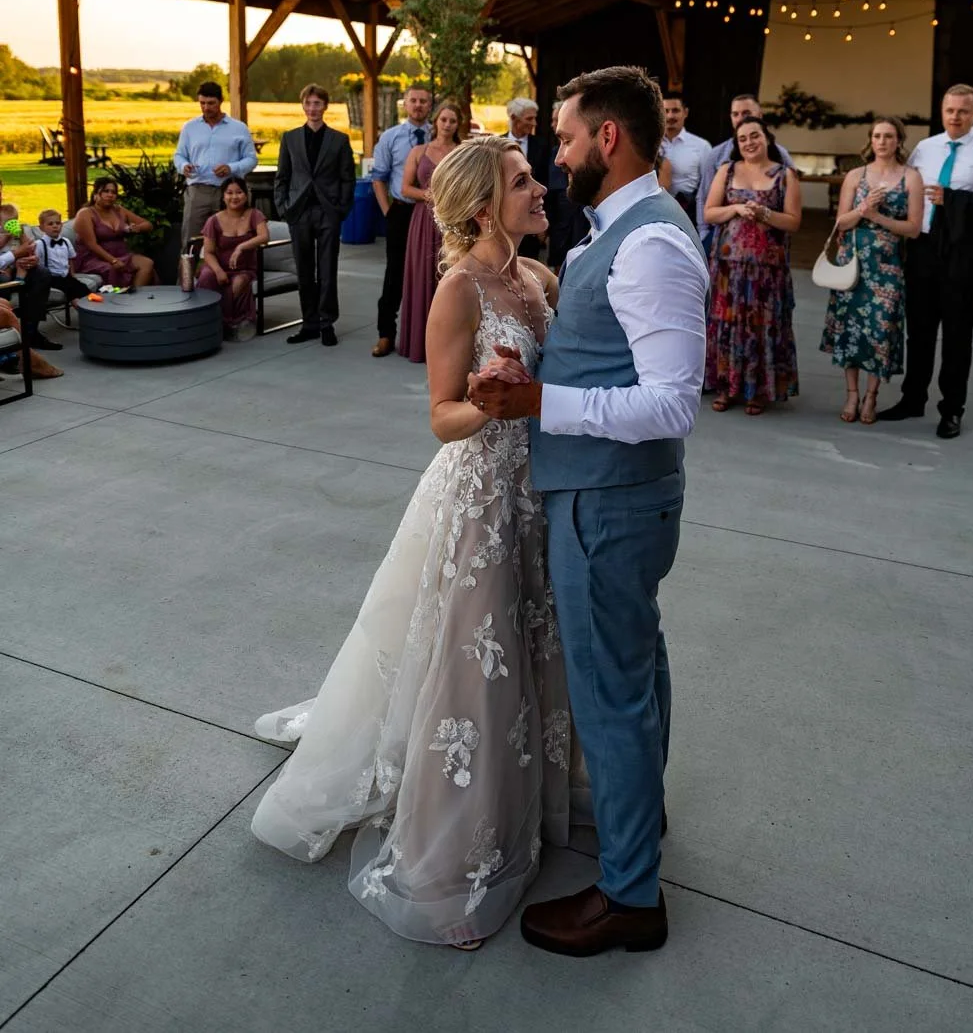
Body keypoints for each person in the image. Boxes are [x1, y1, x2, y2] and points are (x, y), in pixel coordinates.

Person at [251, 136, 571, 949]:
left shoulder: (540, 279)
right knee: (477, 661)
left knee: (536, 639)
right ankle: (456, 847)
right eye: (522, 181)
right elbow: (441, 416)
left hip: (536, 493)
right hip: (480, 499)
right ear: (482, 207)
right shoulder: (458, 290)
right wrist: (490, 401)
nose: (540, 187)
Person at [471, 65, 708, 958]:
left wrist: (538, 402)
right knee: (634, 669)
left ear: (609, 137)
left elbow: (671, 403)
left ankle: (629, 898)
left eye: (566, 138)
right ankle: (637, 821)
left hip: (609, 505)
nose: (557, 155)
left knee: (611, 692)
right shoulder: (614, 232)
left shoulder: (650, 245)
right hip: (605, 498)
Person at [879, 84, 973, 438]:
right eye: (949, 110)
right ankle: (912, 399)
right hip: (925, 248)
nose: (955, 117)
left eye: (963, 111)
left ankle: (952, 409)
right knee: (919, 330)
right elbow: (907, 190)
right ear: (942, 111)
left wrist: (955, 199)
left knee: (958, 334)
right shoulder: (926, 148)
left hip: (964, 252)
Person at [819, 119, 923, 424]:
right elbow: (842, 222)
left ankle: (872, 395)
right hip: (853, 263)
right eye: (877, 136)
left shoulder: (911, 177)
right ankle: (852, 394)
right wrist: (863, 209)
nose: (882, 141)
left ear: (898, 140)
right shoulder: (856, 175)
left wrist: (877, 216)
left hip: (887, 266)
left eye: (888, 136)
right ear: (871, 140)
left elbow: (913, 229)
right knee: (850, 329)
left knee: (881, 331)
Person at [703, 115, 801, 414]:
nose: (749, 142)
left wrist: (764, 214)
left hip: (767, 269)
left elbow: (794, 222)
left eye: (755, 136)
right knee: (727, 324)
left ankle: (757, 390)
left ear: (767, 138)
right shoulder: (727, 170)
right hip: (728, 267)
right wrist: (735, 208)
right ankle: (726, 386)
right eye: (743, 138)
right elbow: (709, 213)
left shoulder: (785, 175)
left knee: (762, 326)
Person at [274, 83, 356, 347]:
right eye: (308, 103)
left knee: (328, 269)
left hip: (328, 211)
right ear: (303, 106)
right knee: (304, 269)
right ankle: (309, 323)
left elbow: (347, 177)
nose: (312, 108)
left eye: (317, 103)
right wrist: (284, 208)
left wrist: (341, 209)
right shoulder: (290, 138)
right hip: (298, 211)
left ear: (325, 106)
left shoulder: (339, 140)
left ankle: (326, 323)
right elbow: (282, 176)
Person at [370, 86, 432, 357]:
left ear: (430, 105)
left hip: (432, 216)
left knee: (430, 273)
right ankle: (386, 334)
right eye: (413, 100)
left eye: (423, 101)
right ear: (405, 104)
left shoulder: (438, 136)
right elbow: (378, 178)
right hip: (401, 211)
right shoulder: (390, 137)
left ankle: (427, 335)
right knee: (395, 273)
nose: (418, 105)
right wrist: (388, 213)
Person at [397, 101, 461, 364]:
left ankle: (448, 347)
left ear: (458, 125)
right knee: (422, 275)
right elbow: (405, 188)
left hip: (453, 221)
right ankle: (418, 344)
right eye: (443, 119)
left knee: (449, 279)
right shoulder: (419, 151)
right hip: (423, 221)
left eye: (453, 121)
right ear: (435, 121)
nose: (447, 125)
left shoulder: (462, 152)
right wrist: (429, 195)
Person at [697, 94, 793, 246]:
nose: (740, 118)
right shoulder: (717, 155)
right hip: (721, 237)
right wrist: (703, 233)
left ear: (759, 115)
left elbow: (792, 209)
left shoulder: (781, 155)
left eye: (746, 113)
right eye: (735, 114)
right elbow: (703, 196)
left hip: (769, 240)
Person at [172, 81, 258, 249]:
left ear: (220, 101)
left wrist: (231, 168)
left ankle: (229, 266)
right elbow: (179, 155)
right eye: (202, 103)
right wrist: (184, 166)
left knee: (229, 240)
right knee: (190, 241)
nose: (206, 108)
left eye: (211, 103)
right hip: (198, 191)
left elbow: (251, 159)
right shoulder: (190, 128)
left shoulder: (239, 128)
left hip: (228, 192)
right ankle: (188, 267)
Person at [195, 177, 269, 338]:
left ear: (246, 195)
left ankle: (225, 323)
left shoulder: (254, 214)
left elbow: (264, 237)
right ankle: (203, 321)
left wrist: (241, 246)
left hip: (244, 269)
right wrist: (218, 271)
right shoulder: (213, 220)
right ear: (223, 196)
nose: (234, 197)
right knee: (207, 276)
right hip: (218, 266)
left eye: (239, 192)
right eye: (229, 193)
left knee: (239, 282)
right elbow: (208, 252)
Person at [72, 180, 156, 288]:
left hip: (121, 254)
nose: (110, 195)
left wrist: (137, 228)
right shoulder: (85, 213)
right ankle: (116, 297)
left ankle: (136, 295)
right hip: (94, 258)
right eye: (106, 191)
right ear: (96, 194)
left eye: (113, 192)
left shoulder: (119, 210)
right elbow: (92, 245)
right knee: (113, 269)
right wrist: (113, 261)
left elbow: (148, 225)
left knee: (147, 263)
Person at [0, 203, 56, 351]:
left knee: (41, 273)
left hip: (14, 264)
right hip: (3, 270)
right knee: (4, 280)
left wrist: (32, 259)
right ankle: (7, 331)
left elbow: (29, 246)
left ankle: (31, 332)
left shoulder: (18, 231)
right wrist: (15, 254)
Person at [542, 100, 588, 274]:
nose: (553, 124)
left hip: (582, 224)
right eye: (553, 120)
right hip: (560, 225)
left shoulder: (587, 154)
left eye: (556, 120)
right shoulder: (554, 153)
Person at [658, 94, 712, 225]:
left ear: (685, 112)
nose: (670, 116)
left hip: (687, 214)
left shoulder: (702, 146)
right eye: (666, 111)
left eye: (675, 110)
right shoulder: (648, 144)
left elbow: (707, 187)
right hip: (654, 213)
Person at [30, 209, 93, 315]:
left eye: (58, 223)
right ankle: (84, 314)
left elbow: (70, 259)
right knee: (71, 291)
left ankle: (93, 312)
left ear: (61, 225)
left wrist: (72, 275)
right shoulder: (39, 244)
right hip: (51, 278)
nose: (55, 226)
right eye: (50, 224)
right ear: (41, 228)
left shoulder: (66, 242)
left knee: (83, 288)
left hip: (66, 276)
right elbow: (36, 263)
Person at [506, 98, 546, 259]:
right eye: (529, 118)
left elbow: (545, 183)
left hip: (533, 221)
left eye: (535, 118)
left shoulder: (541, 146)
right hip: (506, 220)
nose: (534, 123)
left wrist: (543, 221)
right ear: (514, 117)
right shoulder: (495, 146)